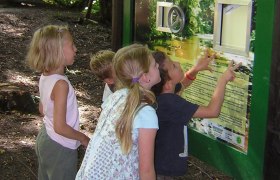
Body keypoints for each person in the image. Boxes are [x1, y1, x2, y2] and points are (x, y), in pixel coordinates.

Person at [76, 44, 161, 180]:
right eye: (155, 66)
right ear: (146, 77)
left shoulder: (116, 97)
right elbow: (146, 170)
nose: (158, 67)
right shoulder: (145, 113)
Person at [151, 51, 241, 179]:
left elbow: (182, 85)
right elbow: (212, 111)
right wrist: (223, 80)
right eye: (173, 66)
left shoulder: (161, 95)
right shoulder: (170, 103)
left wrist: (195, 69)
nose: (177, 63)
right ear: (167, 82)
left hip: (160, 164)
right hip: (163, 171)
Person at [26, 25, 90, 180]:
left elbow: (43, 109)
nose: (76, 49)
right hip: (60, 145)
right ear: (58, 51)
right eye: (72, 45)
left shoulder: (45, 76)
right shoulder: (61, 84)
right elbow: (60, 127)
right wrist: (83, 138)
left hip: (45, 137)